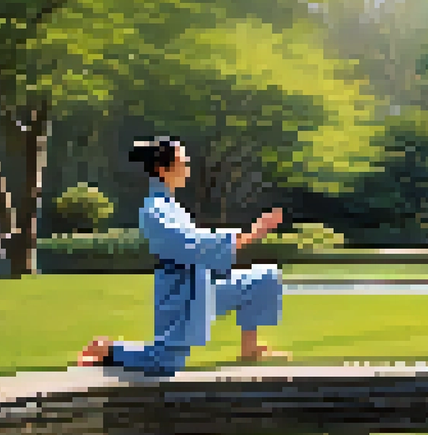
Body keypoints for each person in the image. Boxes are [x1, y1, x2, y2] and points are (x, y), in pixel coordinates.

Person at [76, 136, 290, 375]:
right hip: (181, 294)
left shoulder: (171, 206)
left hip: (202, 286)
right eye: (183, 162)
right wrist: (249, 235)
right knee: (165, 363)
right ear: (162, 169)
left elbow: (198, 245)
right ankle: (108, 350)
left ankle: (250, 349)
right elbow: (192, 246)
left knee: (263, 278)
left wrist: (247, 236)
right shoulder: (154, 210)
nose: (188, 166)